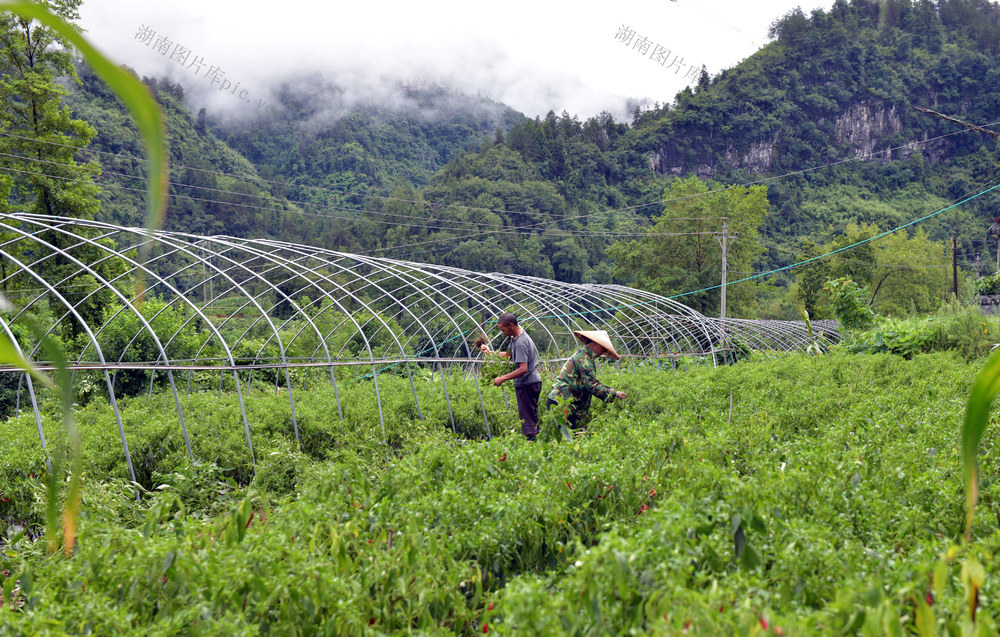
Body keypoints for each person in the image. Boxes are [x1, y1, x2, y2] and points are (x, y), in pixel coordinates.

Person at [546, 330, 627, 429]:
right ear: (595, 344)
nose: (602, 352)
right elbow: (592, 385)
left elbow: (590, 382)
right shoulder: (584, 359)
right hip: (561, 403)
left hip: (563, 402)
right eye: (603, 348)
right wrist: (614, 394)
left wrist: (609, 390)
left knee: (568, 437)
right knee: (566, 439)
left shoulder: (584, 355)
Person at [480, 313, 542, 441]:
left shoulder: (520, 342)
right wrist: (490, 352)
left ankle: (533, 448)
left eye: (503, 330)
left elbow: (523, 368)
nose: (502, 333)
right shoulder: (516, 338)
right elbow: (509, 354)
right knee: (531, 418)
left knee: (527, 420)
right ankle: (537, 443)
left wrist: (502, 378)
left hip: (528, 383)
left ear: (511, 326)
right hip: (530, 382)